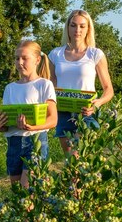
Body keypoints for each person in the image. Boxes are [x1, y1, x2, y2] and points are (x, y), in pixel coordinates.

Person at [0, 40, 58, 188]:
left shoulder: (44, 85)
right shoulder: (10, 88)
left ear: (37, 60)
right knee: (17, 192)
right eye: (16, 58)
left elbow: (53, 120)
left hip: (35, 141)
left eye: (24, 58)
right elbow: (7, 124)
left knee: (27, 191)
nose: (20, 62)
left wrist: (32, 127)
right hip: (13, 143)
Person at [48, 9, 114, 153]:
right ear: (67, 27)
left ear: (88, 29)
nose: (77, 30)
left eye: (82, 26)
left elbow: (108, 89)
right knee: (71, 161)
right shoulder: (55, 54)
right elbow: (50, 85)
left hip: (86, 112)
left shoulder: (95, 54)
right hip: (63, 112)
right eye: (73, 25)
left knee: (78, 155)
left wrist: (97, 104)